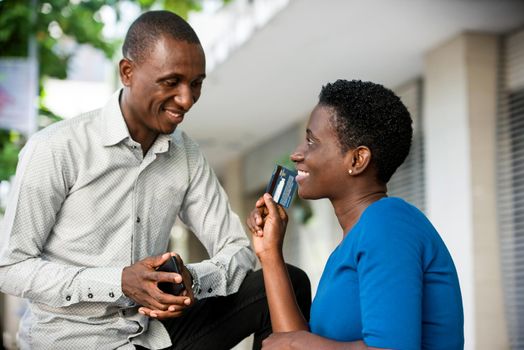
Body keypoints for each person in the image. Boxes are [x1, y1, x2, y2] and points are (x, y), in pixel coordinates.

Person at [0, 10, 311, 350]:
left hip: (152, 335)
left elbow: (237, 249)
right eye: (171, 82)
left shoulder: (185, 153)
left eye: (196, 84)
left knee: (285, 282)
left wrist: (192, 279)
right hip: (71, 340)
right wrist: (118, 282)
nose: (187, 99)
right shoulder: (56, 148)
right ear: (127, 72)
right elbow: (10, 267)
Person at [247, 79, 464, 350]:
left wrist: (296, 343)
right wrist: (270, 255)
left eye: (312, 142)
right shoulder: (349, 246)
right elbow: (292, 344)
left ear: (357, 159)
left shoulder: (388, 223)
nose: (297, 154)